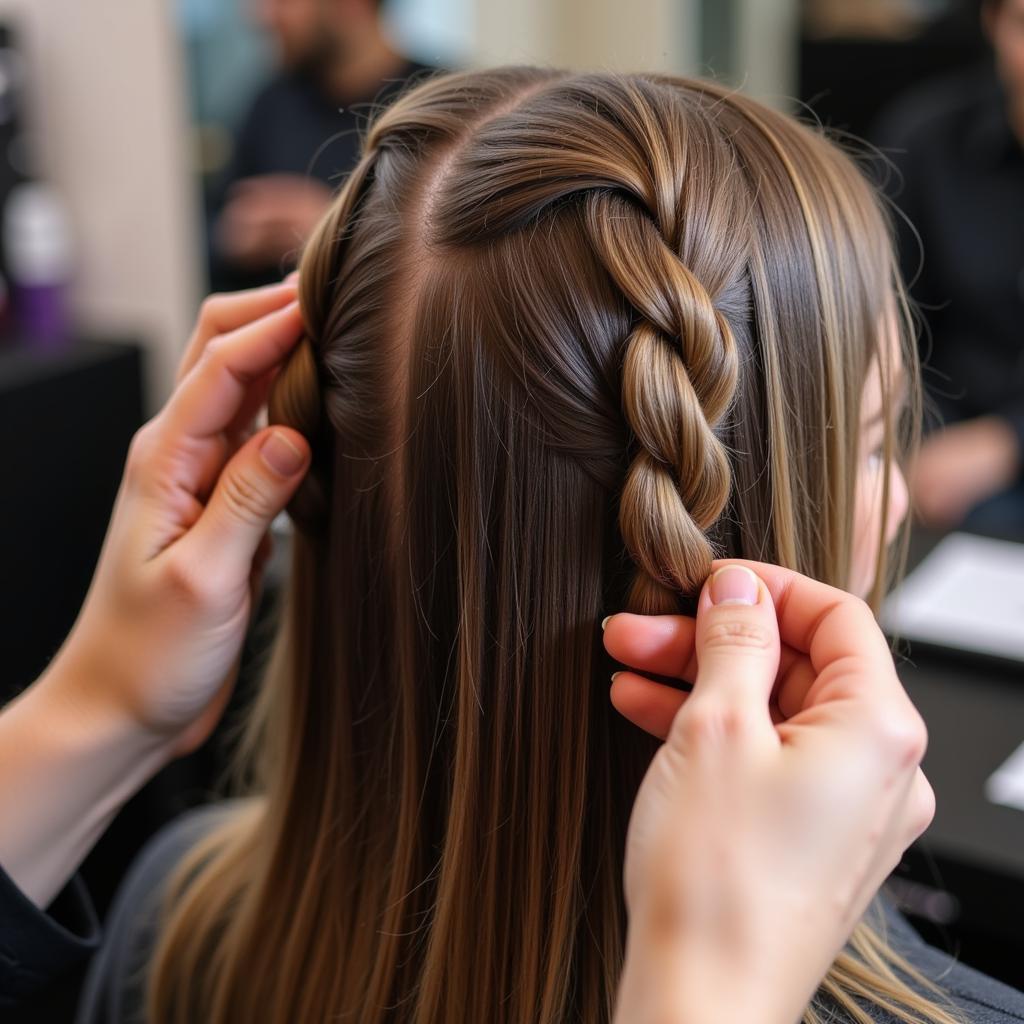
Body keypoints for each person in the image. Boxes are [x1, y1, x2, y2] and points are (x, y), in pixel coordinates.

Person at [0, 67, 1020, 1023]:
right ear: (741, 555)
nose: (896, 504)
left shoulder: (176, 928)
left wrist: (102, 703)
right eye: (879, 440)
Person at [874, 0, 1024, 534]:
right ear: (994, 22)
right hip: (936, 448)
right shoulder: (924, 139)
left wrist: (1008, 442)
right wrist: (910, 437)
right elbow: (883, 315)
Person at [208, 0, 435, 292]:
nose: (263, 16)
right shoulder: (270, 104)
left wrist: (338, 232)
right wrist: (233, 238)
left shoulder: (444, 104)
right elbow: (212, 230)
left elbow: (464, 260)